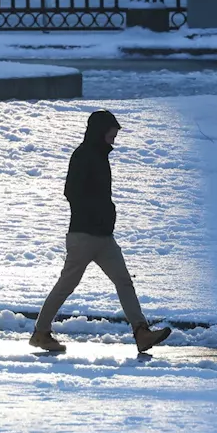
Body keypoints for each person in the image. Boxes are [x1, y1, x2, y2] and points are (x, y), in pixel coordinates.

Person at [30, 110, 172, 355]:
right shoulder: (83, 155)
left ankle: (141, 332)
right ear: (100, 131)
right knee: (67, 284)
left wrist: (107, 215)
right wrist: (96, 213)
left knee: (124, 282)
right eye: (111, 132)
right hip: (84, 235)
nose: (114, 137)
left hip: (104, 237)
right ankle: (41, 332)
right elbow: (71, 192)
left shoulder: (100, 156)